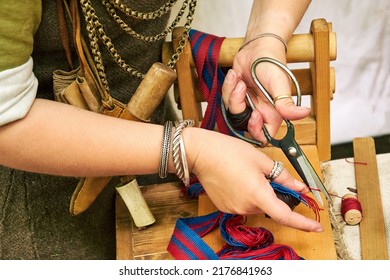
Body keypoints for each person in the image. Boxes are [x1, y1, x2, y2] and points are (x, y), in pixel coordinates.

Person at [0, 0, 318, 260]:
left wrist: (265, 37)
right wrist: (194, 150)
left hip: (162, 165)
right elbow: (7, 120)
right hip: (43, 206)